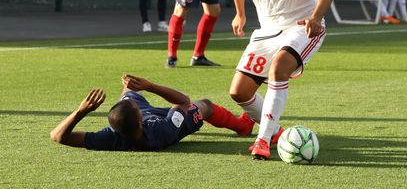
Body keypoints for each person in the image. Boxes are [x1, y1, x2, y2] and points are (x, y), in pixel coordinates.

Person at [225, 0, 335, 159]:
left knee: (279, 69)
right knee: (239, 92)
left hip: (303, 25)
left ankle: (262, 141)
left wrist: (316, 18)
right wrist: (240, 14)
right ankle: (276, 132)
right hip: (268, 30)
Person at [50, 74, 254, 151]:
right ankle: (242, 126)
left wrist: (80, 111)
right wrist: (150, 86)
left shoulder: (111, 137)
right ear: (140, 121)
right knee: (204, 106)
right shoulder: (163, 130)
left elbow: (58, 136)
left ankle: (130, 94)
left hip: (137, 119)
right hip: (175, 123)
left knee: (129, 90)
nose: (137, 105)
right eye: (137, 109)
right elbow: (183, 100)